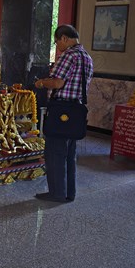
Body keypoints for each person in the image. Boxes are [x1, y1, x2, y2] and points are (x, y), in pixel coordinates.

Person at [34, 24, 93, 203]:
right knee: (69, 154)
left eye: (57, 41)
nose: (57, 45)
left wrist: (43, 83)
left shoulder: (68, 55)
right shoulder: (86, 57)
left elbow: (58, 83)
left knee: (54, 152)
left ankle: (56, 193)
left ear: (64, 38)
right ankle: (69, 192)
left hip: (61, 110)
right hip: (76, 111)